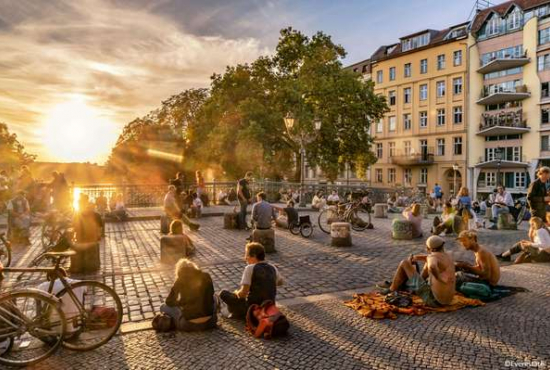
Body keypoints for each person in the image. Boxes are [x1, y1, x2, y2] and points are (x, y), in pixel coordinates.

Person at [381, 236, 455, 307]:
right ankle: (418, 284)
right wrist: (417, 257)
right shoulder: (449, 255)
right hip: (448, 300)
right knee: (427, 262)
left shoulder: (432, 258)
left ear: (429, 249)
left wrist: (439, 278)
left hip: (434, 300)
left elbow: (432, 266)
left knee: (404, 263)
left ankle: (392, 289)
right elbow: (432, 259)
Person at [219, 242, 283, 319]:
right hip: (269, 307)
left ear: (254, 256)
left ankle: (238, 313)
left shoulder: (250, 268)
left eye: (246, 255)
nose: (245, 258)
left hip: (253, 309)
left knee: (223, 293)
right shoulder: (272, 267)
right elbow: (281, 282)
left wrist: (236, 293)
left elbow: (243, 294)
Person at [160, 259, 217, 331]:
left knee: (163, 307)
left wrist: (181, 303)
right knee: (214, 297)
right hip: (211, 322)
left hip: (188, 324)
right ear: (194, 267)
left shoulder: (179, 280)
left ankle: (176, 321)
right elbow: (211, 294)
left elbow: (169, 301)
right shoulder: (206, 276)